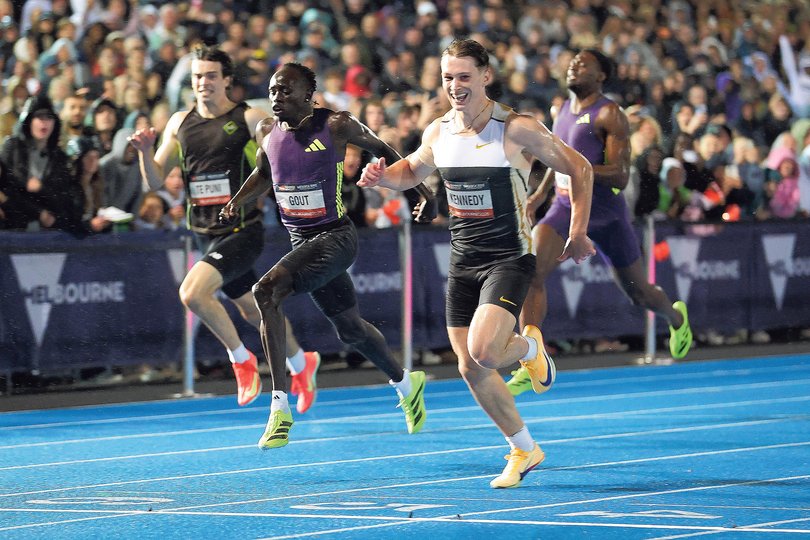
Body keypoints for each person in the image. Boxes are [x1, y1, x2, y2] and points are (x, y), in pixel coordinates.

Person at [359, 38, 596, 489]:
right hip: (463, 259)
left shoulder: (517, 128)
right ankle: (524, 448)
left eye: (464, 76)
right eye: (448, 77)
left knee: (485, 351)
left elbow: (579, 168)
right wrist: (381, 178)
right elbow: (410, 173)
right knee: (470, 367)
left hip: (509, 257)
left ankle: (530, 348)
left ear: (486, 76)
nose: (455, 86)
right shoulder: (439, 131)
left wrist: (577, 230)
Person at [220, 62, 436, 450]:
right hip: (303, 244)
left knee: (266, 290)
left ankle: (279, 407)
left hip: (336, 237)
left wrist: (423, 193)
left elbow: (385, 151)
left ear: (309, 94)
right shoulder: (266, 131)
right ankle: (406, 382)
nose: (276, 97)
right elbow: (264, 175)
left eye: (285, 90)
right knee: (350, 330)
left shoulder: (337, 125)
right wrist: (237, 201)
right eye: (272, 91)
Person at [129, 46, 320, 413]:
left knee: (192, 294)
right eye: (198, 76)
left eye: (211, 75)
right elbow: (153, 181)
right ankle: (302, 363)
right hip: (205, 232)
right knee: (253, 310)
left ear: (227, 80)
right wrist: (145, 151)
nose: (203, 82)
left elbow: (278, 142)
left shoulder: (247, 116)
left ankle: (241, 360)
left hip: (242, 229)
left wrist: (286, 136)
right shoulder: (179, 122)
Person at [508, 50, 693, 397]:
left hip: (606, 213)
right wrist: (538, 196)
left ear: (601, 76)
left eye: (583, 64)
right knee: (531, 271)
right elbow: (555, 157)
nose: (573, 67)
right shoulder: (561, 109)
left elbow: (621, 177)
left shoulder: (609, 114)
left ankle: (675, 317)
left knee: (638, 294)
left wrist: (579, 168)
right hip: (564, 207)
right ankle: (530, 359)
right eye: (572, 62)